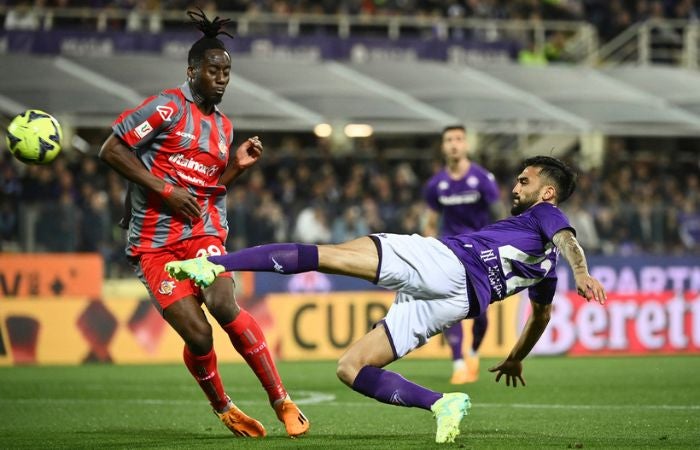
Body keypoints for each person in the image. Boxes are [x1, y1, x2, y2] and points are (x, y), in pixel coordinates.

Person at [166, 156, 607, 444]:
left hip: (448, 264)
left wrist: (583, 271)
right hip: (457, 302)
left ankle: (216, 264)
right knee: (350, 367)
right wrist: (515, 357)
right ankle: (442, 403)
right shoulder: (544, 269)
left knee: (330, 256)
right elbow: (542, 315)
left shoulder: (545, 215)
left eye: (525, 181)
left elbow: (568, 238)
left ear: (547, 193)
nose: (516, 186)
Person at [98, 9, 309, 439]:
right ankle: (225, 408)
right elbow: (112, 149)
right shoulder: (165, 108)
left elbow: (206, 190)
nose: (221, 78)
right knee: (198, 336)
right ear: (192, 70)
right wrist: (162, 188)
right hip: (154, 245)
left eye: (227, 72)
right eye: (213, 70)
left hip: (202, 232)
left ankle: (282, 401)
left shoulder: (223, 127)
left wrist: (234, 168)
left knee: (224, 304)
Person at [423, 125, 504, 384]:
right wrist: (427, 247)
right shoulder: (436, 184)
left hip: (480, 253)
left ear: (466, 144)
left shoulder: (482, 178)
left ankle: (473, 353)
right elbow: (431, 221)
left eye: (458, 139)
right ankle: (458, 362)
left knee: (481, 313)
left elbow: (499, 214)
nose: (454, 144)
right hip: (449, 251)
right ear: (443, 146)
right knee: (450, 308)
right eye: (449, 140)